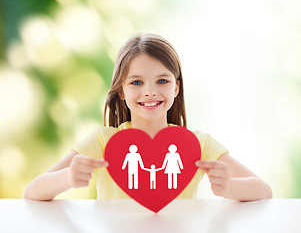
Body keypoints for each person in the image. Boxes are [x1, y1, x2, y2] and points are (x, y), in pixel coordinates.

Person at [24, 33, 273, 201]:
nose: (150, 92)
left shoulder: (198, 144)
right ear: (121, 90)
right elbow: (33, 192)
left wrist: (230, 186)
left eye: (162, 81)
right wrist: (67, 178)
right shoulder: (102, 141)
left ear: (176, 87)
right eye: (137, 82)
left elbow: (263, 190)